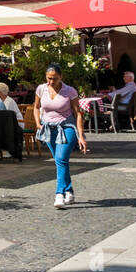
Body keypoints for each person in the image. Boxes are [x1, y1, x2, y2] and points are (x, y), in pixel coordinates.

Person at [34, 64, 88, 209]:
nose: (51, 81)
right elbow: (36, 107)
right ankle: (69, 190)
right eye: (49, 78)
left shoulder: (69, 91)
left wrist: (81, 136)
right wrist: (38, 123)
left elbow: (78, 113)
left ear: (61, 77)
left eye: (54, 79)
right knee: (61, 161)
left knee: (60, 159)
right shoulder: (41, 89)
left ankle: (59, 194)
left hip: (67, 128)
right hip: (48, 129)